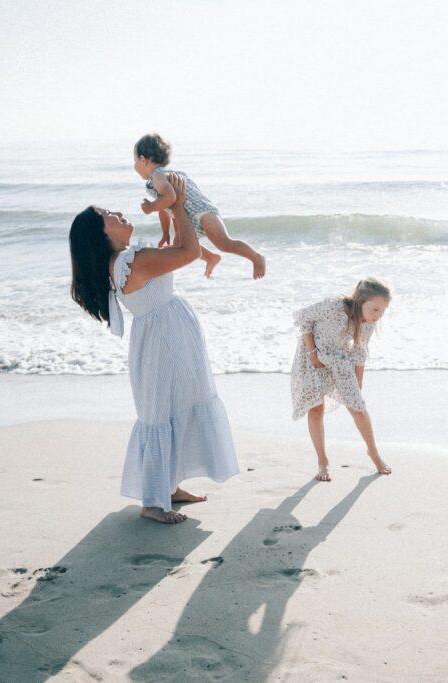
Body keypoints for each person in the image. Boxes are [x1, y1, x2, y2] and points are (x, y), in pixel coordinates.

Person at [68, 178, 240, 524]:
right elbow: (189, 253)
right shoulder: (133, 261)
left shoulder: (128, 259)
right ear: (100, 234)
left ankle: (170, 487)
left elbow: (179, 246)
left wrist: (175, 205)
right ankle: (152, 502)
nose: (117, 213)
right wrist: (176, 203)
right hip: (162, 340)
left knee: (177, 405)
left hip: (168, 335)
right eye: (108, 214)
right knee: (162, 412)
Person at [291, 278, 393, 481]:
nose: (378, 316)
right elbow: (304, 319)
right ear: (361, 301)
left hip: (340, 360)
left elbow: (359, 351)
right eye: (375, 309)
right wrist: (312, 353)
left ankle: (373, 453)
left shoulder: (367, 324)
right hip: (313, 358)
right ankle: (322, 462)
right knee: (316, 408)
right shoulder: (333, 307)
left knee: (358, 407)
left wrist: (358, 382)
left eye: (382, 311)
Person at [133, 133, 266, 280]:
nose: (134, 166)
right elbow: (164, 207)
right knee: (179, 244)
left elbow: (170, 198)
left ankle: (256, 257)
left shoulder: (158, 176)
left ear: (142, 159)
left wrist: (150, 207)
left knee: (224, 243)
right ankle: (210, 257)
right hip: (189, 217)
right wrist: (165, 232)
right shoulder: (162, 177)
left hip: (203, 212)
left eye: (135, 162)